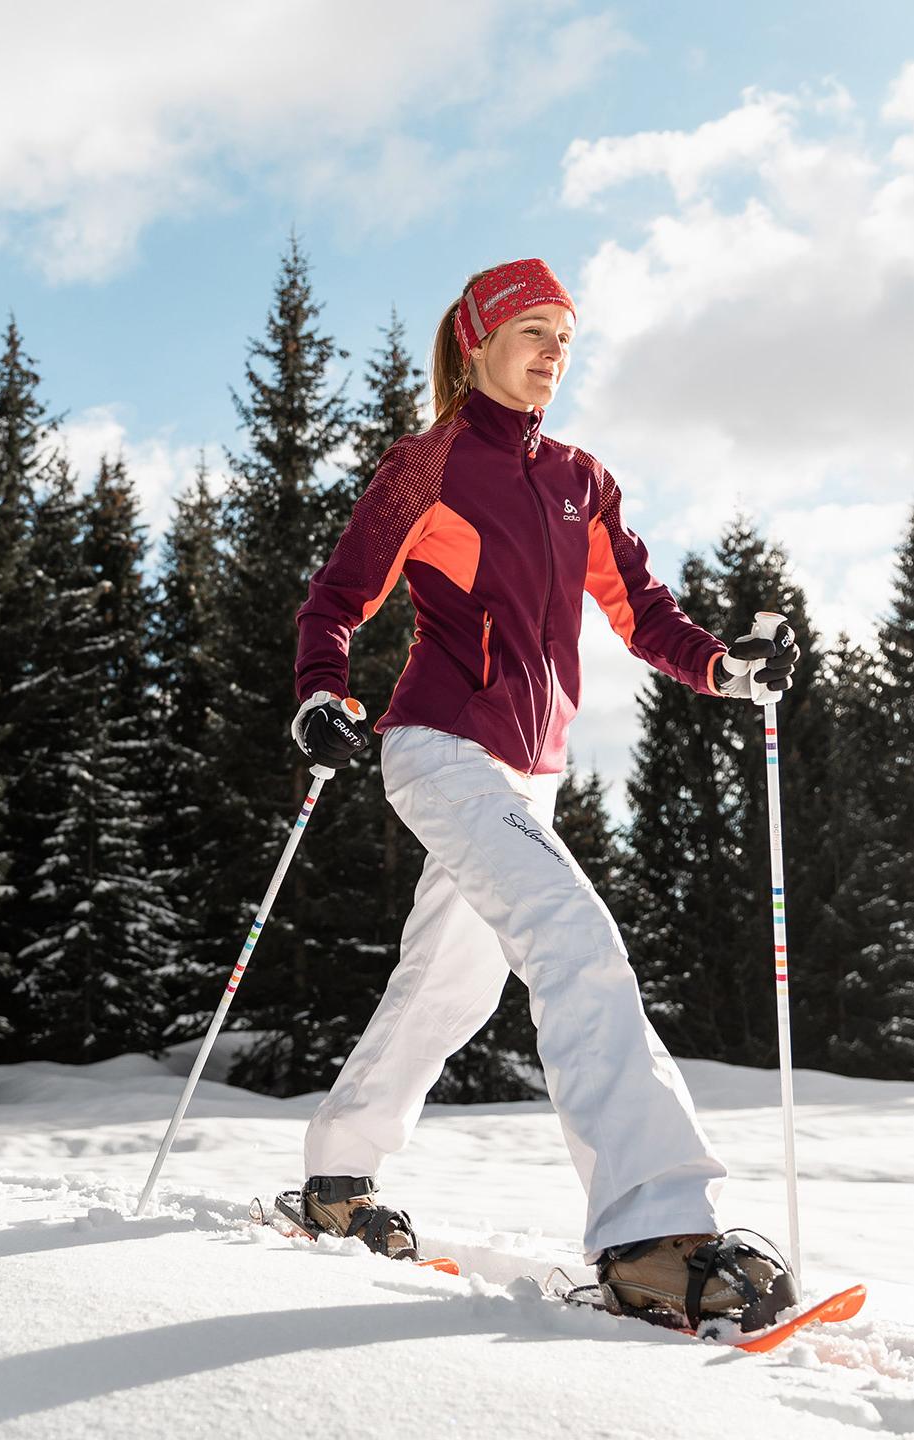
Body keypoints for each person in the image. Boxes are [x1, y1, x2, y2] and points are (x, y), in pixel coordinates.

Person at [288, 258, 801, 1330]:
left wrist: (724, 667)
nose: (552, 356)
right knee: (572, 932)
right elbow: (339, 597)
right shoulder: (427, 466)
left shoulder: (581, 480)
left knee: (452, 984)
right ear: (477, 340)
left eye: (565, 338)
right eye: (533, 333)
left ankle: (337, 1181)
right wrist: (320, 694)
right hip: (438, 746)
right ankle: (653, 1231)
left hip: (533, 771)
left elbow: (643, 609)